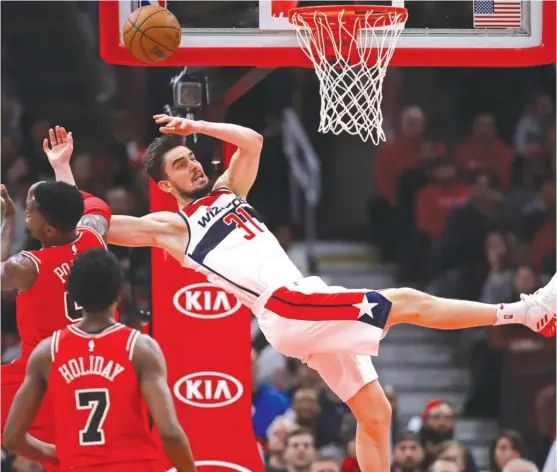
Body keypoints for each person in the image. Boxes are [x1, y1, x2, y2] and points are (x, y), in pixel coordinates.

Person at [48, 115, 557, 472]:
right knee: (405, 301)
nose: (194, 166)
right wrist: (63, 170)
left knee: (375, 414)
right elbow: (98, 223)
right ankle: (527, 312)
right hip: (284, 307)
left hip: (304, 299)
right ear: (164, 181)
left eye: (192, 158)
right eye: (180, 165)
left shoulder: (228, 191)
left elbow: (251, 141)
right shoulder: (173, 226)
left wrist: (197, 128)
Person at [3, 248, 196, 472]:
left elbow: (13, 438)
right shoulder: (140, 348)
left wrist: (62, 455)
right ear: (119, 294)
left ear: (73, 295)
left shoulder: (47, 353)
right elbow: (170, 434)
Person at [1, 127, 112, 472]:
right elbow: (82, 206)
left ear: (48, 228)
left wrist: (7, 223)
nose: (25, 213)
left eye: (29, 211)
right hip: (97, 367)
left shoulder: (27, 266)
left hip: (45, 375)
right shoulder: (96, 233)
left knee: (38, 447)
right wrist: (61, 166)